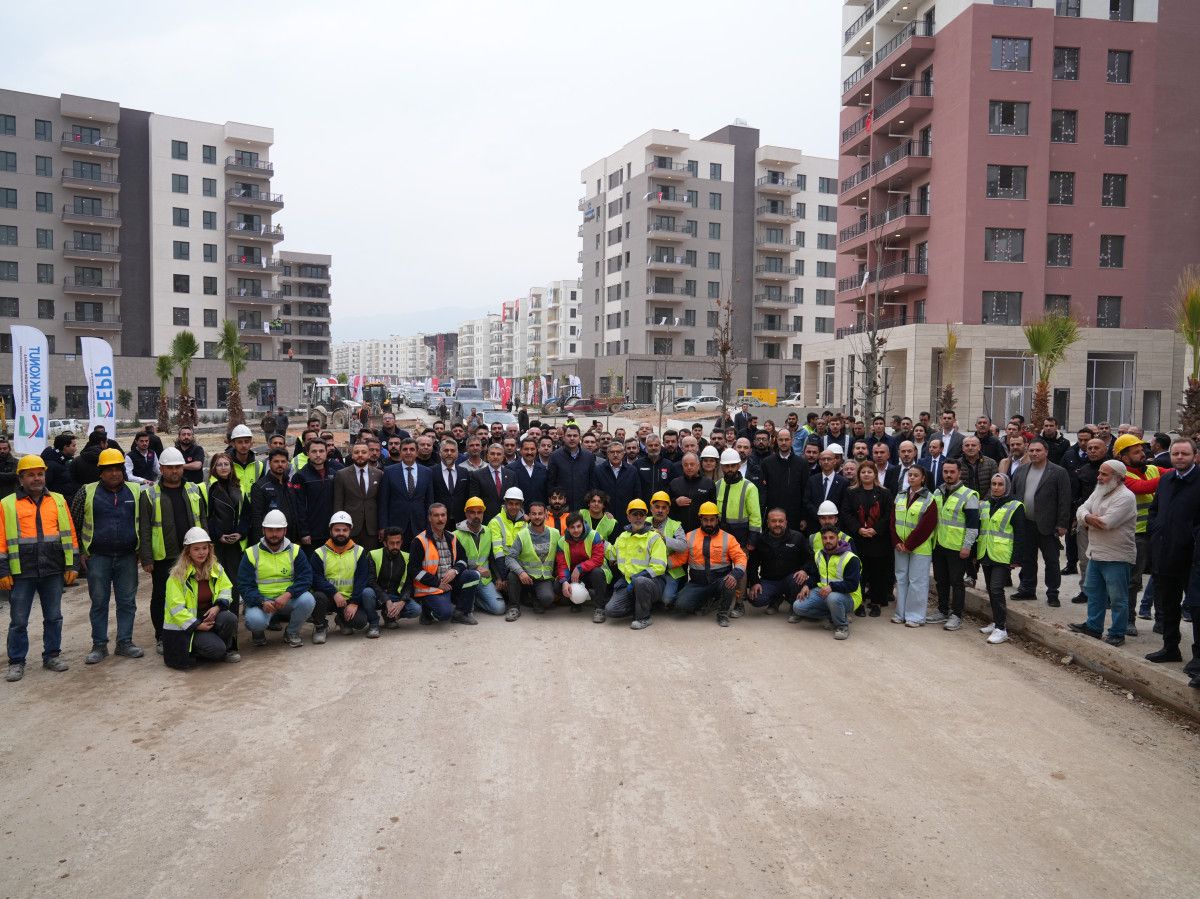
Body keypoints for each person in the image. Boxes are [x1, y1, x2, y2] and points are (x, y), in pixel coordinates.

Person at [2, 455, 79, 682]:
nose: (37, 479)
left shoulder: (58, 500)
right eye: (31, 475)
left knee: (54, 617)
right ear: (21, 479)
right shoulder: (6, 504)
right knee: (18, 621)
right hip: (21, 572)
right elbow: (1, 540)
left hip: (52, 570)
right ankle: (16, 662)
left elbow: (69, 534)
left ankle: (52, 655)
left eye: (40, 474)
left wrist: (72, 564)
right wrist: (3, 570)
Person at [71, 448, 143, 665]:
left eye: (118, 468)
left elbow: (144, 523)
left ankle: (124, 643)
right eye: (109, 469)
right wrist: (81, 552)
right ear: (100, 472)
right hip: (97, 557)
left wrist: (142, 550)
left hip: (127, 556)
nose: (114, 473)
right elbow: (74, 524)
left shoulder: (135, 491)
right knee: (99, 602)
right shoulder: (86, 492)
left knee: (127, 602)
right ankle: (99, 645)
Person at [139, 447, 207, 656]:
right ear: (161, 469)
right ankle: (161, 636)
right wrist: (146, 558)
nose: (174, 471)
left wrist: (206, 548)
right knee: (161, 596)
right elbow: (144, 528)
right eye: (169, 467)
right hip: (164, 556)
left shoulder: (194, 489)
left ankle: (190, 629)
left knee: (192, 593)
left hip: (192, 553)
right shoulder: (149, 494)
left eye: (177, 467)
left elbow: (203, 519)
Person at [1144, 438, 1200, 667]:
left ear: (1195, 456)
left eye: (1184, 454)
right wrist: (1155, 530)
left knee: (1196, 607)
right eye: (1176, 453)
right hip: (1166, 553)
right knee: (1168, 604)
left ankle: (1198, 659)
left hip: (1193, 558)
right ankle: (1170, 648)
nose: (1179, 457)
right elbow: (1155, 509)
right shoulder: (1166, 479)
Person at [1069, 460, 1137, 646]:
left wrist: (1086, 519)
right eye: (1099, 473)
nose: (1099, 477)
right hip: (1096, 553)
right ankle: (1093, 627)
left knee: (1117, 599)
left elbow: (1106, 523)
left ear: (1118, 478)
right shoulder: (1100, 491)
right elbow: (1081, 509)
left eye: (1104, 474)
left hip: (1117, 556)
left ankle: (1117, 633)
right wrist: (1088, 517)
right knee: (1094, 593)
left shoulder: (1126, 497)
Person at [161, 527, 240, 668]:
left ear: (210, 549)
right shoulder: (176, 576)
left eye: (205, 548)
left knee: (230, 618)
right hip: (187, 626)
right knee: (216, 650)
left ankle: (224, 649)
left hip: (209, 617)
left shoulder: (216, 568)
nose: (201, 552)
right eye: (196, 549)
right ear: (188, 552)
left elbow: (226, 588)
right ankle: (193, 651)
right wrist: (197, 625)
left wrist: (217, 607)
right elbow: (176, 609)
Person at [239, 510, 317, 647]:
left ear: (285, 530)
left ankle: (292, 632)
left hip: (287, 599)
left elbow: (306, 578)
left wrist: (288, 594)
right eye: (270, 530)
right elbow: (244, 585)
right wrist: (261, 601)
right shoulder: (251, 553)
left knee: (308, 600)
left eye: (278, 530)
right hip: (262, 601)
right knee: (255, 621)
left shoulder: (295, 551)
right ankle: (258, 632)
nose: (274, 534)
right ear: (263, 530)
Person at [1010, 438, 1072, 607]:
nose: (1034, 453)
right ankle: (1028, 589)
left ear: (1046, 452)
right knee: (1028, 559)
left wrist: (1062, 524)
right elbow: (1014, 495)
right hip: (1026, 524)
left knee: (1051, 561)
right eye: (1031, 450)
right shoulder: (1021, 470)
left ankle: (1053, 593)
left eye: (1038, 450)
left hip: (1048, 525)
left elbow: (1064, 500)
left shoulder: (1058, 472)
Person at [1112, 434, 1159, 638]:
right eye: (1136, 452)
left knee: (1162, 576)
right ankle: (1128, 620)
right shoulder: (1122, 476)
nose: (1142, 454)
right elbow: (1143, 488)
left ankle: (1162, 620)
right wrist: (1174, 475)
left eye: (1142, 450)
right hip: (1136, 534)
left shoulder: (1153, 469)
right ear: (1124, 457)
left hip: (1157, 533)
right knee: (1133, 580)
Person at [925, 458, 979, 631]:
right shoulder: (938, 492)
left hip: (957, 547)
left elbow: (973, 526)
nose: (948, 475)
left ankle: (956, 615)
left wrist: (967, 546)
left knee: (957, 582)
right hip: (939, 544)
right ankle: (942, 610)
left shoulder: (969, 495)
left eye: (952, 472)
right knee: (941, 580)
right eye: (945, 472)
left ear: (959, 473)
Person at [673, 502, 748, 627]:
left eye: (712, 520)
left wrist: (735, 574)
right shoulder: (690, 536)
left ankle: (722, 614)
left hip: (720, 582)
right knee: (680, 605)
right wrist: (662, 563)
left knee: (729, 582)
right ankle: (710, 600)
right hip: (698, 583)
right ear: (700, 519)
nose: (709, 523)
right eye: (705, 520)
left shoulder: (728, 538)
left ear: (717, 520)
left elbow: (740, 557)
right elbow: (680, 559)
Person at [976, 473, 1027, 646]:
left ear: (1007, 487)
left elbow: (1021, 534)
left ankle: (1001, 629)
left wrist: (1017, 558)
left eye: (1000, 484)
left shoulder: (1016, 506)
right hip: (986, 552)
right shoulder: (986, 504)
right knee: (991, 590)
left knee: (996, 589)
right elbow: (981, 529)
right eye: (993, 484)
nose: (996, 487)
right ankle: (996, 622)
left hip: (1003, 555)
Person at [603, 499, 667, 630]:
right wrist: (601, 542)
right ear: (628, 517)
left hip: (651, 582)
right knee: (611, 610)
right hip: (628, 582)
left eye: (641, 514)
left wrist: (636, 578)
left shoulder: (654, 537)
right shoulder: (623, 536)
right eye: (635, 514)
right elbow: (613, 555)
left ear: (645, 516)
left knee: (640, 582)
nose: (638, 518)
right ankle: (641, 605)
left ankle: (644, 618)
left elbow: (659, 567)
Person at [841, 460, 894, 617]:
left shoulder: (885, 493)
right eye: (863, 472)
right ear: (859, 474)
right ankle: (859, 603)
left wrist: (875, 530)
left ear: (875, 474)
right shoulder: (851, 492)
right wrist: (859, 529)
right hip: (858, 539)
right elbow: (846, 513)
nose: (866, 474)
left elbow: (888, 514)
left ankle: (876, 603)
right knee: (859, 573)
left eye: (869, 472)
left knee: (877, 572)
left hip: (878, 540)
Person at [310, 511, 374, 639]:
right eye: (337, 530)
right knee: (317, 597)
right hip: (328, 597)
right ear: (330, 531)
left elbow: (362, 579)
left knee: (360, 622)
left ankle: (342, 620)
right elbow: (316, 579)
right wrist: (334, 593)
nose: (341, 533)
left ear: (350, 531)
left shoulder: (359, 551)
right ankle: (320, 627)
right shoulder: (319, 553)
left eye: (345, 530)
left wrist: (354, 602)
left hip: (349, 599)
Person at [791, 527, 862, 640]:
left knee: (833, 598)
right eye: (825, 538)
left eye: (831, 538)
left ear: (838, 538)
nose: (828, 541)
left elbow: (852, 585)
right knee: (798, 607)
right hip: (824, 592)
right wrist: (807, 585)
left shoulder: (851, 558)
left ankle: (842, 626)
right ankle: (834, 615)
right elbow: (816, 575)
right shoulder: (819, 554)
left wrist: (831, 587)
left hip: (849, 596)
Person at [891, 464, 937, 627]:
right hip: (900, 546)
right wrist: (897, 541)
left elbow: (927, 525)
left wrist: (909, 544)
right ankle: (900, 614)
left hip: (920, 547)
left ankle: (915, 617)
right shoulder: (900, 495)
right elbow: (893, 520)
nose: (911, 478)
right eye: (909, 475)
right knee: (901, 579)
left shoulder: (930, 498)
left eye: (915, 475)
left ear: (923, 478)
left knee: (917, 581)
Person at [747, 508, 812, 615]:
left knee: (798, 580)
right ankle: (776, 600)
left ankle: (794, 605)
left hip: (791, 580)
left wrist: (804, 570)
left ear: (786, 522)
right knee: (755, 598)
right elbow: (752, 564)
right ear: (768, 523)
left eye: (781, 521)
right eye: (773, 521)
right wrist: (755, 582)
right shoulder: (760, 540)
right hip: (769, 581)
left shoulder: (797, 537)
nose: (777, 524)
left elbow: (810, 559)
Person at [503, 500, 559, 621]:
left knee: (547, 599)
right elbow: (510, 557)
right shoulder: (522, 535)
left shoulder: (555, 533)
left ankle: (534, 598)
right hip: (525, 577)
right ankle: (513, 607)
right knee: (512, 575)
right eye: (534, 514)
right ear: (529, 515)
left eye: (540, 513)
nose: (537, 517)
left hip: (544, 578)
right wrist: (521, 572)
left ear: (546, 515)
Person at [379, 438, 435, 545]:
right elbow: (383, 502)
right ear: (400, 452)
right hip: (395, 525)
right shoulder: (389, 471)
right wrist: (383, 527)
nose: (408, 452)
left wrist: (429, 526)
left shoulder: (427, 472)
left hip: (420, 524)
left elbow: (429, 501)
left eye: (412, 449)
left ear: (417, 452)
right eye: (405, 449)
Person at [455, 497, 504, 616]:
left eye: (479, 512)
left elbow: (492, 557)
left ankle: (475, 601)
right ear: (466, 514)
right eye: (472, 512)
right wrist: (475, 567)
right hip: (466, 580)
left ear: (483, 514)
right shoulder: (455, 535)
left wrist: (498, 577)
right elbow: (455, 561)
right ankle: (467, 600)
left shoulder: (488, 531)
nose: (476, 516)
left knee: (500, 608)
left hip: (484, 580)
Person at [363, 526, 419, 629]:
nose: (395, 546)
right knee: (367, 593)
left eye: (398, 543)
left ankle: (390, 617)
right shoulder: (373, 555)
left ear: (401, 542)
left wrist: (402, 601)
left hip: (395, 596)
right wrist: (386, 600)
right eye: (392, 543)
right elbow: (370, 581)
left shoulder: (407, 557)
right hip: (377, 595)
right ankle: (374, 623)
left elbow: (409, 584)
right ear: (385, 543)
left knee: (416, 610)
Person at [333, 441, 383, 551]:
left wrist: (382, 526)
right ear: (352, 455)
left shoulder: (379, 474)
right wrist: (339, 526)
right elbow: (338, 503)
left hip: (372, 528)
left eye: (363, 452)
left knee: (370, 558)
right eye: (356, 452)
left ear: (369, 454)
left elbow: (381, 502)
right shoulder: (341, 474)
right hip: (349, 527)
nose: (360, 455)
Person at [249, 449, 298, 544]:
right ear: (269, 463)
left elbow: (294, 512)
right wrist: (260, 541)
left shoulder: (289, 485)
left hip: (290, 538)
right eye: (276, 461)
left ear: (287, 464)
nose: (280, 464)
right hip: (270, 538)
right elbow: (256, 517)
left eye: (283, 461)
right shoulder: (259, 486)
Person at [805, 449, 848, 532]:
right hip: (815, 524)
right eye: (823, 459)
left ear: (834, 461)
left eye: (829, 459)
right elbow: (807, 501)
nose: (826, 462)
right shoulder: (812, 480)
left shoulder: (843, 482)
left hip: (836, 527)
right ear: (819, 462)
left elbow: (844, 505)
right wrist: (820, 516)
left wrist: (831, 519)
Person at [433, 437, 470, 526]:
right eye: (446, 450)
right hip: (439, 520)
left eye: (452, 451)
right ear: (440, 453)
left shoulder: (464, 472)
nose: (449, 453)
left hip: (461, 520)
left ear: (457, 453)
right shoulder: (431, 472)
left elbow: (467, 495)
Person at [508, 436, 548, 507]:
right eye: (526, 449)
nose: (529, 452)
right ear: (520, 450)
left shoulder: (543, 469)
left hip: (538, 511)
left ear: (536, 450)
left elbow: (545, 493)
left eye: (532, 449)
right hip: (518, 511)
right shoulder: (510, 469)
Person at [226, 424, 265, 498]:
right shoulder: (227, 465)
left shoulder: (259, 466)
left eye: (246, 442)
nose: (243, 445)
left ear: (251, 444)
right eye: (240, 442)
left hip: (254, 504)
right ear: (233, 444)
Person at [42, 433, 80, 502]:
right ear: (65, 447)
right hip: (57, 503)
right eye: (73, 446)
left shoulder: (66, 461)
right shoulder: (51, 465)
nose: (76, 449)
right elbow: (44, 487)